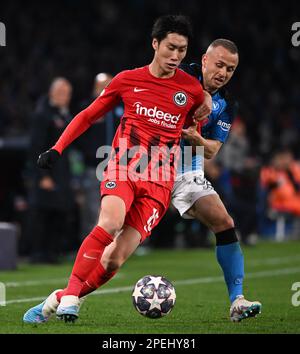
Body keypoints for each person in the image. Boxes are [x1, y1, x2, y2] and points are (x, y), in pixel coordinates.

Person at [23, 15, 211, 323]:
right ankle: (71, 296)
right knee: (110, 222)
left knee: (113, 260)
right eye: (170, 48)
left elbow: (195, 137)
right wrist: (57, 148)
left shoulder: (191, 90)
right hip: (124, 168)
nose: (176, 56)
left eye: (182, 49)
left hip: (160, 183)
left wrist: (200, 126)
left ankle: (58, 298)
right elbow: (87, 115)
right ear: (155, 44)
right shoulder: (127, 80)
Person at [171, 39, 262, 321]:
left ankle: (237, 300)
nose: (223, 73)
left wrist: (198, 138)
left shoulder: (228, 104)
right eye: (219, 64)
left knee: (225, 223)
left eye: (230, 69)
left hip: (188, 168)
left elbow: (212, 151)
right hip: (151, 163)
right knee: (116, 234)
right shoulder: (181, 71)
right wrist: (202, 96)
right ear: (205, 60)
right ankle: (68, 296)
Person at [26, 77, 76, 263]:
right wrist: (42, 175)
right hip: (48, 173)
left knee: (59, 213)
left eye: (67, 93)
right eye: (61, 92)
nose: (64, 96)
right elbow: (35, 147)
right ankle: (38, 253)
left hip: (62, 173)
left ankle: (52, 252)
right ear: (52, 93)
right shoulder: (42, 115)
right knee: (43, 214)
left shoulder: (65, 115)